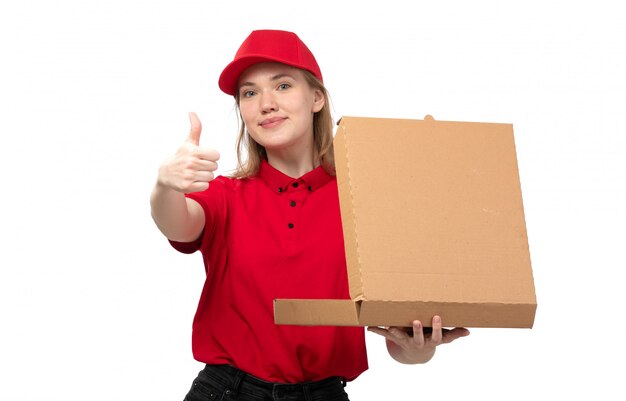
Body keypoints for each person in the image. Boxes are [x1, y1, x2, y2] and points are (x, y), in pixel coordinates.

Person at [150, 29, 470, 401]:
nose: (265, 103)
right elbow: (176, 221)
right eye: (249, 93)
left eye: (283, 86)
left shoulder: (366, 202)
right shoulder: (226, 195)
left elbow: (398, 335)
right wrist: (166, 186)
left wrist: (419, 349)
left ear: (317, 97)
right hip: (228, 391)